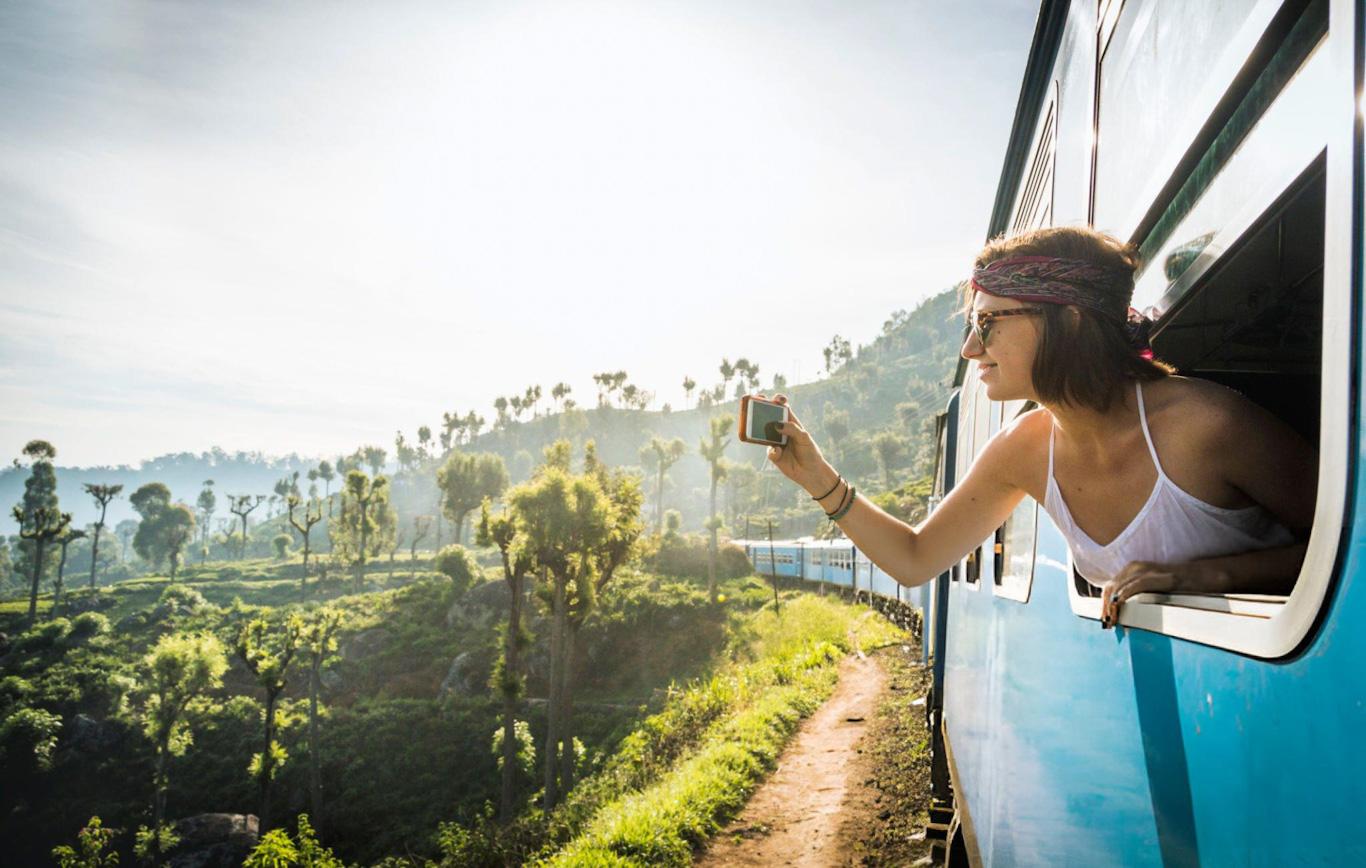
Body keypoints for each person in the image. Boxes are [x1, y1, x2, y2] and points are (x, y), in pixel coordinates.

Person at [763, 226, 1317, 628]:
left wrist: (1204, 580)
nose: (970, 348)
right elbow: (915, 559)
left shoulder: (1207, 424)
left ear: (1068, 320)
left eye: (987, 323)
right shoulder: (1023, 449)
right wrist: (818, 478)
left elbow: (1349, 548)